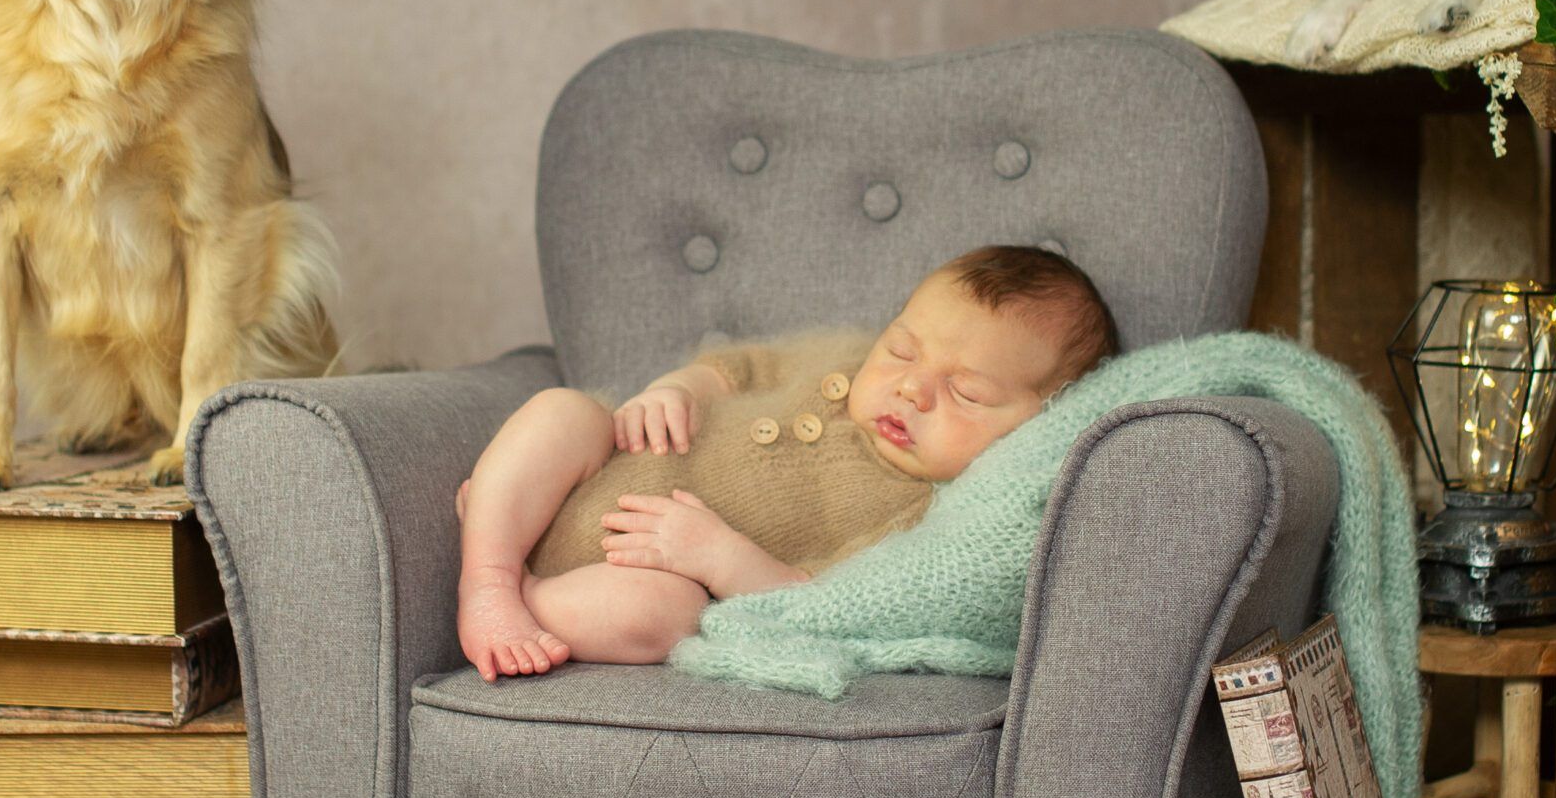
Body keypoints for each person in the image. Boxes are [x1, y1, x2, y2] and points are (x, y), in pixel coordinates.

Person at [454, 245, 1120, 679]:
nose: (911, 388)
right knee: (568, 412)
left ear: (1041, 423)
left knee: (669, 614)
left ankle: (523, 599)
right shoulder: (841, 354)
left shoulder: (922, 515)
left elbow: (818, 595)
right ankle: (488, 571)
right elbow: (740, 366)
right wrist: (677, 389)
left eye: (966, 391)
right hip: (601, 466)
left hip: (613, 581)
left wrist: (717, 557)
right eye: (903, 350)